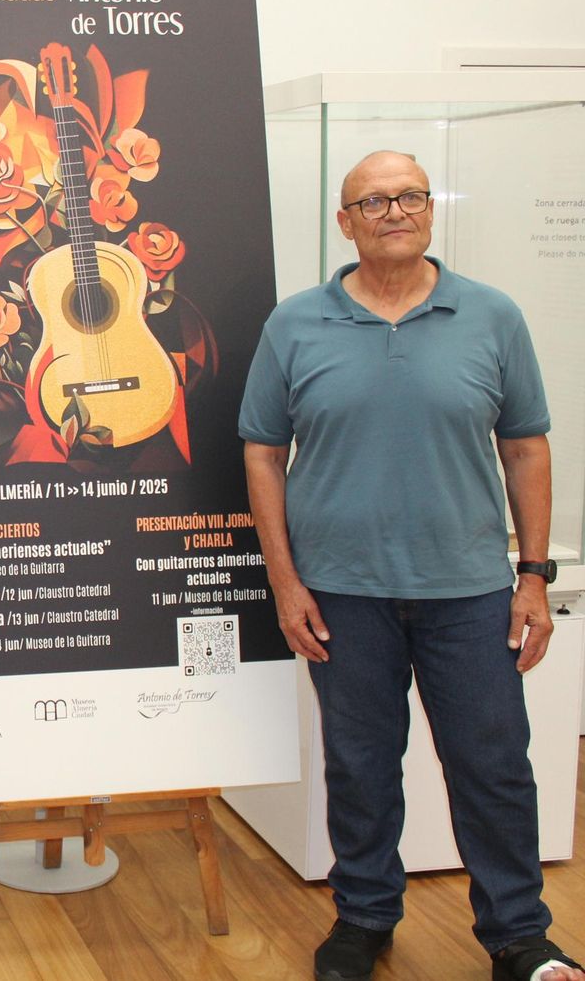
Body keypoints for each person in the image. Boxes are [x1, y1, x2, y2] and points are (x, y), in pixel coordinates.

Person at [239, 151, 582, 981]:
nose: (395, 211)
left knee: (494, 763)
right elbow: (262, 452)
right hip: (340, 593)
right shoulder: (295, 324)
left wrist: (533, 573)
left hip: (470, 592)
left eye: (410, 197)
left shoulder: (491, 316)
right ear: (344, 222)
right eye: (374, 200)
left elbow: (526, 446)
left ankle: (518, 935)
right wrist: (285, 583)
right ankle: (363, 916)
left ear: (430, 211)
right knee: (359, 765)